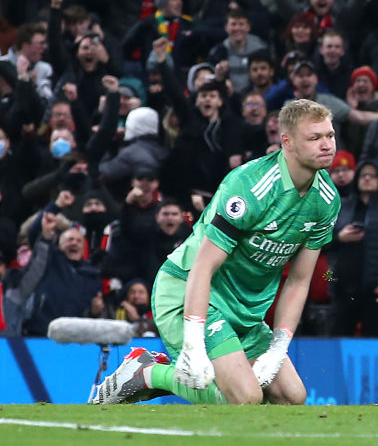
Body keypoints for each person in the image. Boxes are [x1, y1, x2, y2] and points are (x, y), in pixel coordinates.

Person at [90, 99, 341, 405]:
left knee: (292, 397)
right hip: (189, 293)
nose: (327, 144)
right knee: (245, 398)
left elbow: (299, 281)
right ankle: (147, 373)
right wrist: (194, 345)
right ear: (287, 142)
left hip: (245, 312)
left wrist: (278, 348)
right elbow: (203, 266)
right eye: (314, 138)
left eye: (330, 135)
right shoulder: (250, 187)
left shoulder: (326, 200)